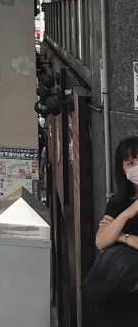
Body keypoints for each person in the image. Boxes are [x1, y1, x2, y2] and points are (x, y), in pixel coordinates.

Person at [94, 136, 138, 324]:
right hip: (119, 292)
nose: (136, 166)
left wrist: (121, 236)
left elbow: (110, 236)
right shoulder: (118, 202)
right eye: (131, 162)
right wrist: (128, 213)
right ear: (123, 169)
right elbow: (101, 241)